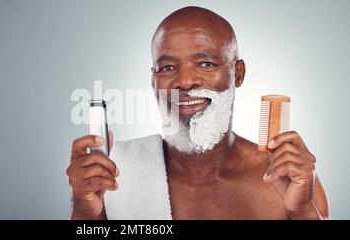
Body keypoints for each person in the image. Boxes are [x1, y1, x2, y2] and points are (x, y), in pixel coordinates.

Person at [66, 6, 329, 220]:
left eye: (205, 63)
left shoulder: (289, 182)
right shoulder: (113, 176)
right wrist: (83, 213)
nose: (185, 81)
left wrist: (303, 212)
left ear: (238, 74)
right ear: (153, 82)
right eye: (167, 68)